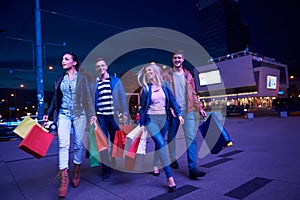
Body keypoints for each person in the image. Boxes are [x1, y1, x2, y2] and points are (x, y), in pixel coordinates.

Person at [43, 52, 97, 198]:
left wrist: (92, 115)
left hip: (80, 115)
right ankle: (64, 179)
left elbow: (88, 98)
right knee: (63, 145)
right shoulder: (60, 79)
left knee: (79, 145)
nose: (63, 61)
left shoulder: (83, 79)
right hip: (64, 114)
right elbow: (55, 99)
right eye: (62, 59)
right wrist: (48, 111)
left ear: (74, 63)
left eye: (66, 59)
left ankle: (77, 170)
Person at [137, 63, 184, 192]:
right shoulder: (146, 89)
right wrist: (141, 124)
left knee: (159, 145)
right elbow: (143, 108)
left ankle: (154, 164)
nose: (148, 73)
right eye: (146, 71)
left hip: (164, 119)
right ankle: (170, 177)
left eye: (150, 70)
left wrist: (178, 114)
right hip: (150, 119)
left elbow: (172, 101)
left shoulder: (165, 85)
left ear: (156, 71)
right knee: (161, 143)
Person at [163, 49, 207, 180]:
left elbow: (193, 93)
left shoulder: (188, 75)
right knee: (171, 137)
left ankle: (192, 168)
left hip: (188, 111)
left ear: (183, 59)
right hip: (174, 112)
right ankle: (172, 158)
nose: (177, 60)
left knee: (191, 139)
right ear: (172, 59)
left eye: (179, 58)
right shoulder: (166, 75)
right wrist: (169, 107)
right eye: (175, 58)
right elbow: (164, 94)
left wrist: (199, 107)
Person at [94, 58, 129, 181]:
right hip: (101, 117)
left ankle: (113, 159)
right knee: (103, 144)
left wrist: (125, 112)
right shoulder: (95, 83)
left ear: (106, 66)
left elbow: (122, 98)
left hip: (113, 117)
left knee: (115, 143)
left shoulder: (115, 81)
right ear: (96, 69)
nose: (100, 68)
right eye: (98, 66)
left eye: (102, 65)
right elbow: (92, 100)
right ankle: (106, 169)